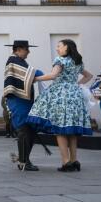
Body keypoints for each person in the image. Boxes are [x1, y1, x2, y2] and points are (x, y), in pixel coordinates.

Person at [27, 39, 93, 172]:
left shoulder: (60, 60)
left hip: (61, 96)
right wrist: (76, 84)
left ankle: (66, 162)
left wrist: (35, 79)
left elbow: (53, 75)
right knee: (72, 130)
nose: (57, 48)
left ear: (67, 48)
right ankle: (74, 160)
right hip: (75, 96)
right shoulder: (77, 61)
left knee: (60, 129)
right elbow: (89, 76)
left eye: (59, 46)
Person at [3, 40, 43, 171]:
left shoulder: (19, 61)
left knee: (29, 130)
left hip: (24, 101)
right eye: (27, 49)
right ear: (19, 49)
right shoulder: (14, 60)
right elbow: (27, 73)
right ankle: (24, 162)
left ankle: (24, 159)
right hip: (18, 101)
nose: (29, 52)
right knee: (24, 130)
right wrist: (45, 74)